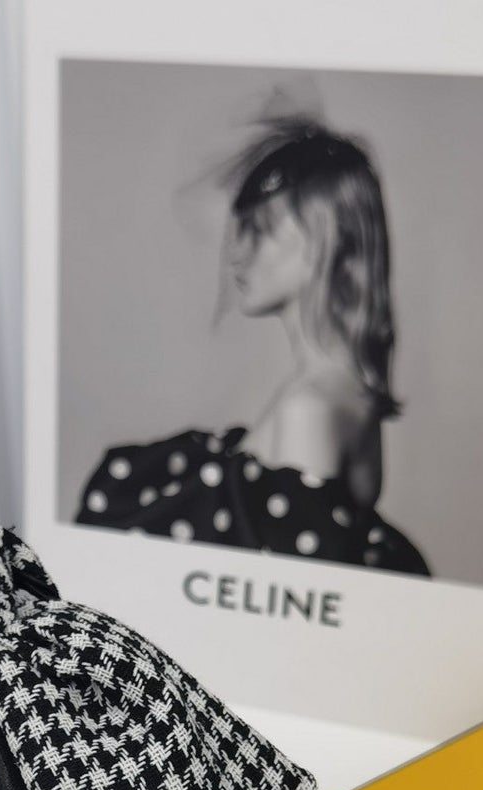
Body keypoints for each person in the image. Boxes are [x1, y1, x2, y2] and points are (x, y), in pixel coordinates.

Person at [75, 116, 429, 576]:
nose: (237, 254)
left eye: (260, 231)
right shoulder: (343, 395)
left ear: (324, 240)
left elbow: (291, 594)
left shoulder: (310, 409)